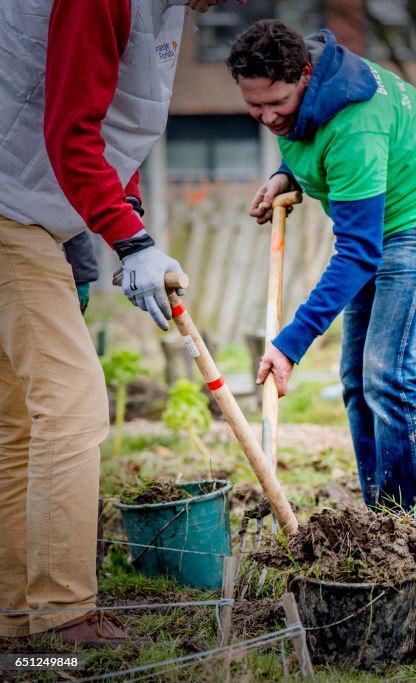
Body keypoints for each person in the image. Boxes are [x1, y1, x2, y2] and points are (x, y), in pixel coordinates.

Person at [0, 0, 247, 646]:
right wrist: (129, 243)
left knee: (21, 418)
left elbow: (115, 131)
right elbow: (70, 130)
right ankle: (61, 614)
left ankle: (17, 616)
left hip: (26, 206)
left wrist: (128, 218)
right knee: (72, 401)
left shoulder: (161, 9)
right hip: (9, 207)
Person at [225, 21, 416, 522]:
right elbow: (308, 139)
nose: (268, 117)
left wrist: (291, 344)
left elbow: (357, 251)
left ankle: (407, 531)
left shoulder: (355, 122)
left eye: (278, 104)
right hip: (379, 222)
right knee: (356, 380)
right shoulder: (300, 100)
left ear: (305, 76)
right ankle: (378, 519)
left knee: (389, 375)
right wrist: (285, 174)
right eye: (254, 106)